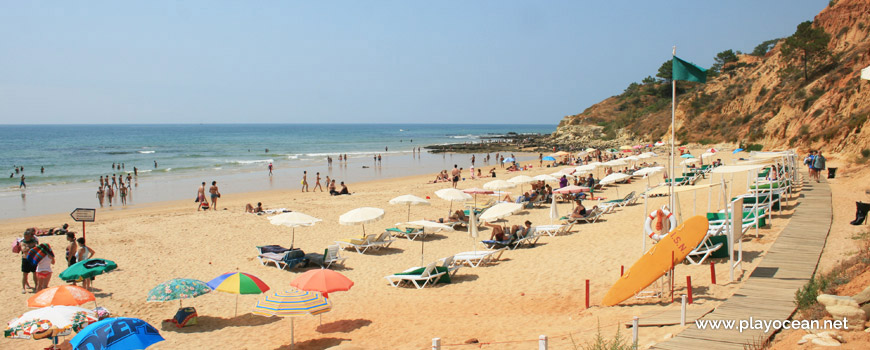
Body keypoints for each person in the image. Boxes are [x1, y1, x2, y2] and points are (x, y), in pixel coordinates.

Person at [18, 228, 38, 293]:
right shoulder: (23, 242)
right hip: (26, 259)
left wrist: (29, 248)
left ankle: (36, 286)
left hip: (32, 259)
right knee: (25, 274)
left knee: (35, 273)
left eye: (27, 237)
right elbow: (24, 250)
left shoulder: (33, 241)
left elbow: (37, 248)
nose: (26, 238)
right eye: (25, 237)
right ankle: (23, 288)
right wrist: (31, 248)